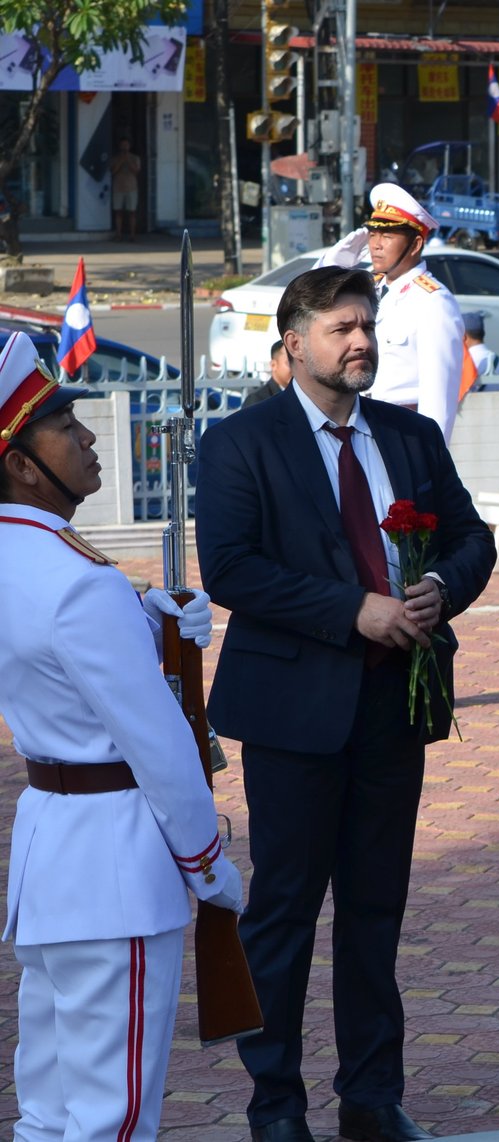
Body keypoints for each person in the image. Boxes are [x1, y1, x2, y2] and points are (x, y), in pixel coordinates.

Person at [196, 266, 495, 1142]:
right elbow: (232, 570)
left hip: (392, 706)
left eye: (366, 325)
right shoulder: (241, 443)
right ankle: (275, 1105)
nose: (360, 341)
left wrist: (440, 583)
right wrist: (350, 610)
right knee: (285, 912)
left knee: (375, 911)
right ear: (294, 344)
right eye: (341, 329)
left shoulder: (407, 436)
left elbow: (471, 536)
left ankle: (371, 1097)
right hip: (295, 714)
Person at [0, 333, 242, 1141]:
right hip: (115, 872)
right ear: (23, 463)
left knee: (48, 1109)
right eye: (64, 426)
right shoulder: (78, 580)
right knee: (114, 1119)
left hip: (48, 859)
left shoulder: (28, 558)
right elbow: (161, 745)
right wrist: (207, 863)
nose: (90, 436)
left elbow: (52, 660)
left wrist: (148, 620)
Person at [317, 184, 466, 442]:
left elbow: (438, 396)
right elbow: (314, 299)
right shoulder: (371, 288)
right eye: (373, 234)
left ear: (415, 243)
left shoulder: (433, 302)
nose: (376, 245)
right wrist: (337, 260)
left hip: (402, 432)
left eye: (387, 236)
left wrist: (430, 459)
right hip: (359, 423)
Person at [243, 339, 292, 409]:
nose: (297, 369)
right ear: (273, 365)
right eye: (290, 363)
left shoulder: (303, 396)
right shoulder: (258, 400)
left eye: (300, 363)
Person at [108, 139, 141, 241]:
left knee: (132, 212)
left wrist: (128, 160)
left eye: (126, 145)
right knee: (118, 212)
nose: (124, 147)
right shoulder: (115, 158)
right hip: (118, 188)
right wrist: (121, 160)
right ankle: (118, 234)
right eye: (123, 145)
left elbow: (136, 171)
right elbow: (113, 171)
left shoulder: (135, 158)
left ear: (129, 146)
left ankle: (132, 235)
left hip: (131, 188)